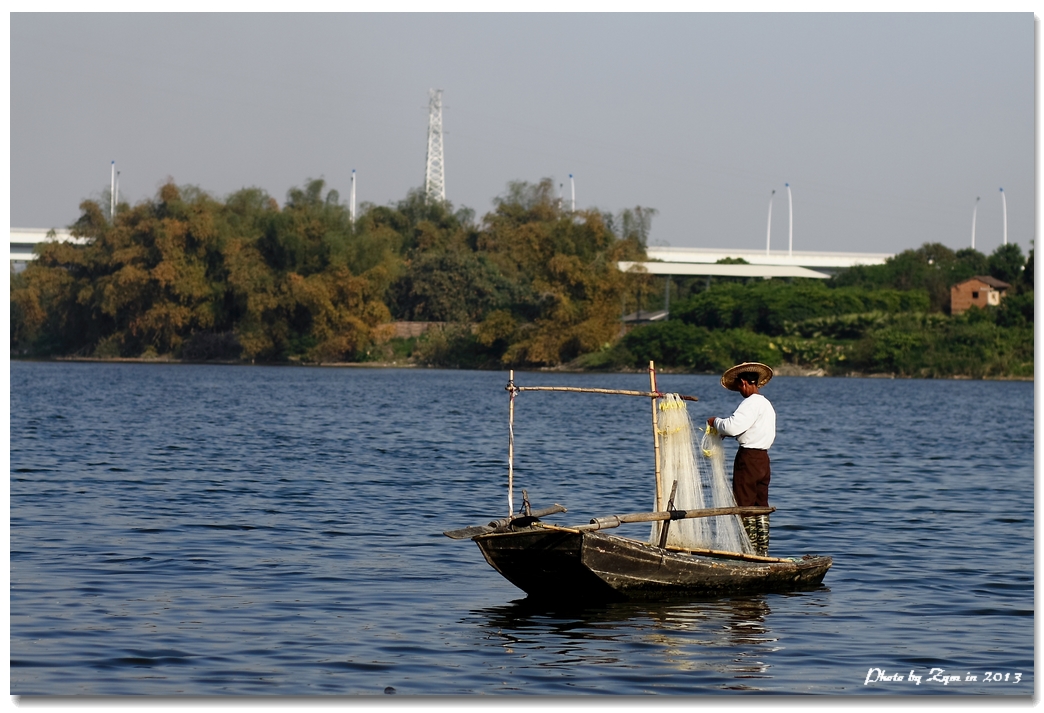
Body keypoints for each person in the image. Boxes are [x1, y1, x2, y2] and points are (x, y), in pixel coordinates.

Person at [706, 362, 775, 556]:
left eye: (738, 387)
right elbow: (750, 429)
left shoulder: (750, 402)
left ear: (744, 383)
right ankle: (762, 552)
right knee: (760, 506)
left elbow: (732, 426)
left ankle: (749, 551)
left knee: (744, 505)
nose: (739, 391)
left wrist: (715, 422)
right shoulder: (765, 404)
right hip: (763, 460)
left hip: (749, 459)